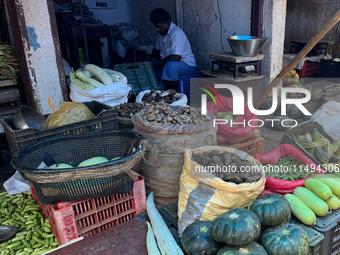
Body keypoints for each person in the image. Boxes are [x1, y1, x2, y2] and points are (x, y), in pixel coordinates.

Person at [150, 8, 197, 91]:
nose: (157, 29)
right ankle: (159, 92)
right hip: (170, 64)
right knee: (154, 68)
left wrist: (156, 63)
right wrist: (152, 61)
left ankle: (172, 94)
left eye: (159, 27)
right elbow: (156, 50)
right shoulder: (161, 33)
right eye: (156, 27)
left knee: (170, 66)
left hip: (187, 66)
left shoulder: (176, 33)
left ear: (167, 23)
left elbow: (176, 57)